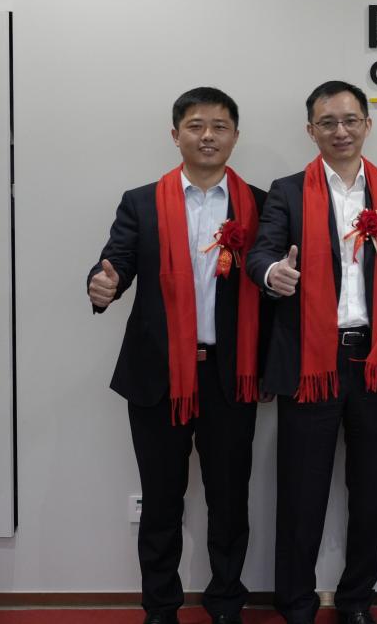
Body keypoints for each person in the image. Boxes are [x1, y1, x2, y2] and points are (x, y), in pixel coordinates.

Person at [88, 87, 269, 624]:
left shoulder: (260, 204)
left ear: (235, 136)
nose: (207, 136)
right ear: (176, 135)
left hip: (231, 376)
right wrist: (103, 284)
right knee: (161, 501)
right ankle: (160, 608)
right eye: (195, 125)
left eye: (219, 126)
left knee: (229, 500)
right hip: (158, 375)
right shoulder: (141, 202)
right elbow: (115, 263)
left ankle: (226, 603)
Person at [245, 80, 377, 624]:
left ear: (368, 124)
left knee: (369, 492)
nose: (340, 131)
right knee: (301, 493)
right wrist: (273, 274)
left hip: (376, 359)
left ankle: (356, 601)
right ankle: (296, 602)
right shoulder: (287, 191)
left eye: (350, 120)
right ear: (311, 130)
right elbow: (261, 254)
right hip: (310, 361)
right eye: (327, 122)